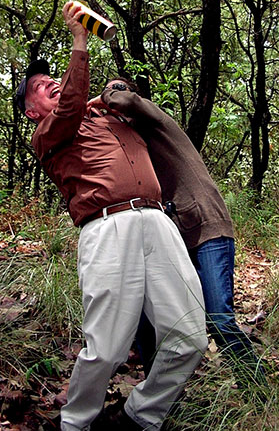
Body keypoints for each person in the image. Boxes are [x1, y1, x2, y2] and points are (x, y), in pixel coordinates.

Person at [15, 1, 208, 431]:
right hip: (107, 227)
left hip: (158, 221)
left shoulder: (104, 116)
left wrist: (118, 90)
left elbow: (132, 109)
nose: (53, 85)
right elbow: (71, 105)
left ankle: (141, 415)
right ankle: (75, 424)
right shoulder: (46, 133)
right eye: (43, 87)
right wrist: (79, 40)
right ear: (32, 112)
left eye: (55, 80)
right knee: (105, 347)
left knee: (191, 336)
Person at [97, 78, 266, 385]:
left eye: (120, 88)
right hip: (180, 240)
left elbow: (125, 101)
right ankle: (160, 403)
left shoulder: (156, 118)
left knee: (219, 319)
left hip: (209, 230)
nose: (114, 101)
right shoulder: (135, 146)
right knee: (146, 322)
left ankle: (259, 390)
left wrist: (104, 95)